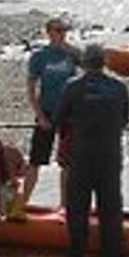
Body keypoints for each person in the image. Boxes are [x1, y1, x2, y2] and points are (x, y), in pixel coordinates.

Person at [51, 43, 129, 257]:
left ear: (84, 63)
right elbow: (124, 120)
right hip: (110, 156)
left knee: (77, 208)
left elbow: (58, 119)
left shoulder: (73, 87)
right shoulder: (119, 87)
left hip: (82, 156)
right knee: (111, 208)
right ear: (104, 63)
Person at [24, 16, 82, 205]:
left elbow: (93, 66)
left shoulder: (71, 54)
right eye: (58, 30)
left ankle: (64, 205)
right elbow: (31, 90)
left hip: (70, 113)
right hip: (47, 110)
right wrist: (40, 116)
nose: (62, 34)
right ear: (49, 33)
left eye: (64, 31)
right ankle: (22, 202)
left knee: (68, 163)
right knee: (36, 160)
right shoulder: (40, 56)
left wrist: (71, 50)